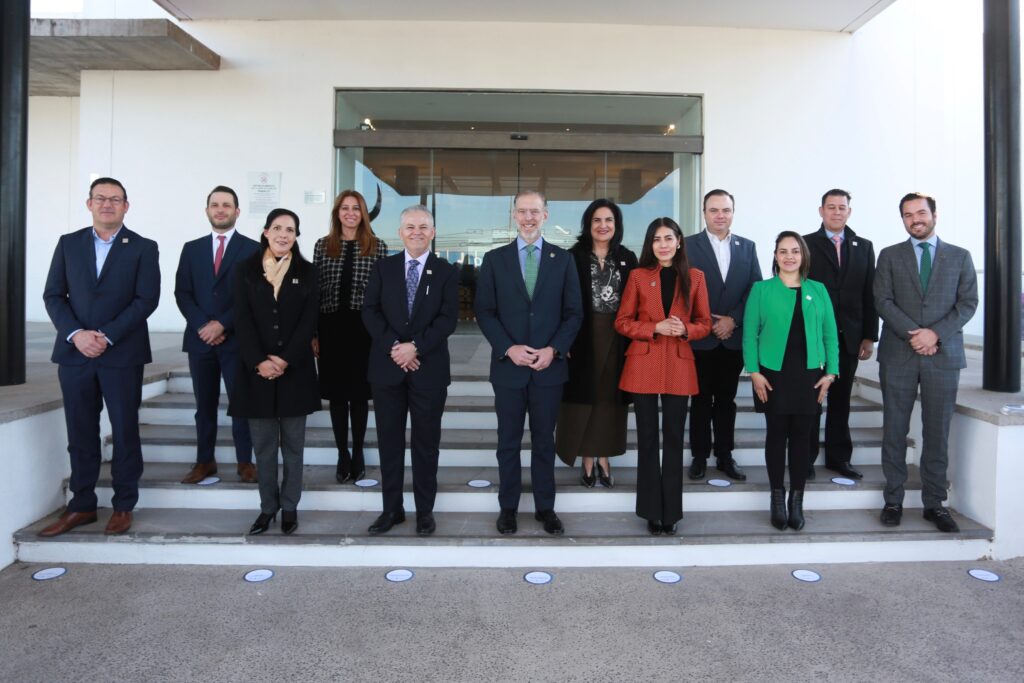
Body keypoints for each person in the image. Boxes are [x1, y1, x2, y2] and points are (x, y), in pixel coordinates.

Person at [40, 177, 160, 537]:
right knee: (80, 433)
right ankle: (81, 505)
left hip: (121, 353)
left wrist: (105, 336)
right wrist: (77, 335)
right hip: (75, 354)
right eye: (101, 198)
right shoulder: (69, 244)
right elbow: (53, 295)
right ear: (88, 203)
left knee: (124, 431)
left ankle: (123, 505)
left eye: (115, 199)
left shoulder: (142, 247)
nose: (107, 204)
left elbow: (146, 299)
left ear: (127, 206)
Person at [474, 190, 583, 536]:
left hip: (548, 369)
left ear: (546, 215)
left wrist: (554, 350)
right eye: (522, 211)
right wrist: (508, 348)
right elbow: (484, 312)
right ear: (513, 215)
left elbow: (573, 314)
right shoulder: (494, 259)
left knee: (543, 442)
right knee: (507, 442)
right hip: (509, 369)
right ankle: (508, 508)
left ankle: (544, 508)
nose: (529, 217)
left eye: (535, 211)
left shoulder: (563, 260)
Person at [874, 193, 978, 532]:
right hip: (898, 355)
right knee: (894, 429)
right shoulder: (889, 255)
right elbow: (882, 300)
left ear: (934, 214)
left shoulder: (960, 257)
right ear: (902, 219)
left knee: (937, 432)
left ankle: (935, 504)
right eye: (908, 215)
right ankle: (893, 500)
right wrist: (914, 335)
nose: (915, 219)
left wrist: (934, 335)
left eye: (920, 212)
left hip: (943, 356)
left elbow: (967, 304)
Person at [362, 206, 459, 536]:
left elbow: (448, 319)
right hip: (387, 370)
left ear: (432, 232)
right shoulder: (383, 268)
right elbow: (370, 312)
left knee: (426, 444)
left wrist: (415, 346)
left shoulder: (445, 270)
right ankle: (392, 510)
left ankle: (424, 511)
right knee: (389, 442)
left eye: (423, 226)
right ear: (400, 232)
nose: (416, 231)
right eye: (410, 226)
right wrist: (396, 347)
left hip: (428, 370)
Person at [616, 218, 711, 535]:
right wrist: (653, 327)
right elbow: (623, 322)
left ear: (679, 241)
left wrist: (686, 329)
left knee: (673, 440)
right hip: (644, 363)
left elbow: (705, 323)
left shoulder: (695, 278)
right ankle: (649, 511)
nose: (663, 244)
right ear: (650, 244)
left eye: (668, 238)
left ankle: (670, 512)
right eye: (656, 239)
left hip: (679, 364)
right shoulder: (639, 277)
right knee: (647, 440)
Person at [230, 208, 320, 536]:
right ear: (266, 231)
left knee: (294, 447)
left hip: (294, 372)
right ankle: (268, 508)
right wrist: (260, 360)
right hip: (257, 373)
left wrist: (284, 360)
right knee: (264, 448)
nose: (284, 234)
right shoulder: (244, 270)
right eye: (278, 228)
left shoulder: (309, 272)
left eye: (291, 230)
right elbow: (241, 320)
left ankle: (290, 507)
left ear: (297, 236)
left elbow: (309, 321)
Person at [743, 231, 839, 531]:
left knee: (802, 437)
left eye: (795, 251)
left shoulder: (818, 290)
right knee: (776, 435)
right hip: (773, 374)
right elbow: (749, 334)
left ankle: (797, 501)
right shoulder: (761, 290)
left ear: (803, 256)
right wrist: (754, 372)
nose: (789, 256)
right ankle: (776, 498)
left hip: (809, 374)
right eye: (783, 251)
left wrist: (831, 373)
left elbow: (830, 335)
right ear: (775, 255)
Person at [174, 185, 260, 485]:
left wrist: (222, 324)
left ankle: (244, 461)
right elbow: (182, 293)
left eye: (227, 205)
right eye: (215, 204)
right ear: (207, 210)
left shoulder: (252, 249)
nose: (220, 209)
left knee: (241, 404)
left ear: (237, 211)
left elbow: (253, 295)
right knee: (204, 406)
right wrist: (203, 326)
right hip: (200, 342)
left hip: (236, 340)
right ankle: (204, 461)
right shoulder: (192, 248)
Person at [556, 199, 637, 488]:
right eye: (597, 220)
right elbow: (560, 302)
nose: (603, 226)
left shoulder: (627, 257)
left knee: (609, 401)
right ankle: (587, 458)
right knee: (583, 398)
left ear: (617, 225)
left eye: (609, 220)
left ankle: (605, 457)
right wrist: (561, 340)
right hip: (581, 339)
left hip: (618, 340)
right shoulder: (572, 257)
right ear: (588, 225)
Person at [685, 189, 762, 482]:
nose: (720, 215)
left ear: (733, 212)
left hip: (732, 339)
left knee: (727, 401)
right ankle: (700, 457)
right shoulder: (688, 246)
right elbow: (683, 291)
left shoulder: (747, 247)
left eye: (725, 210)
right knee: (701, 400)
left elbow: (754, 289)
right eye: (714, 210)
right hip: (701, 339)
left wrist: (733, 320)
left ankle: (725, 456)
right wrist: (707, 323)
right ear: (704, 213)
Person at [313, 190, 388, 484]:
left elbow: (383, 295)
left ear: (363, 213)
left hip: (363, 330)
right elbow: (315, 292)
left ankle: (357, 452)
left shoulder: (377, 246)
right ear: (337, 213)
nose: (350, 213)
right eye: (345, 208)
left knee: (358, 395)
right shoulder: (323, 245)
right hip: (330, 328)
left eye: (356, 208)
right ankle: (341, 453)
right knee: (336, 396)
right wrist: (313, 333)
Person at [803, 189, 877, 480]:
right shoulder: (806, 244)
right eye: (830, 207)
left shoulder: (864, 246)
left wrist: (869, 335)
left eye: (841, 207)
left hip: (849, 337)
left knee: (841, 401)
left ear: (849, 211)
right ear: (821, 211)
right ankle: (805, 458)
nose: (836, 212)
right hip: (814, 337)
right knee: (812, 401)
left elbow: (870, 293)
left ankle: (838, 458)